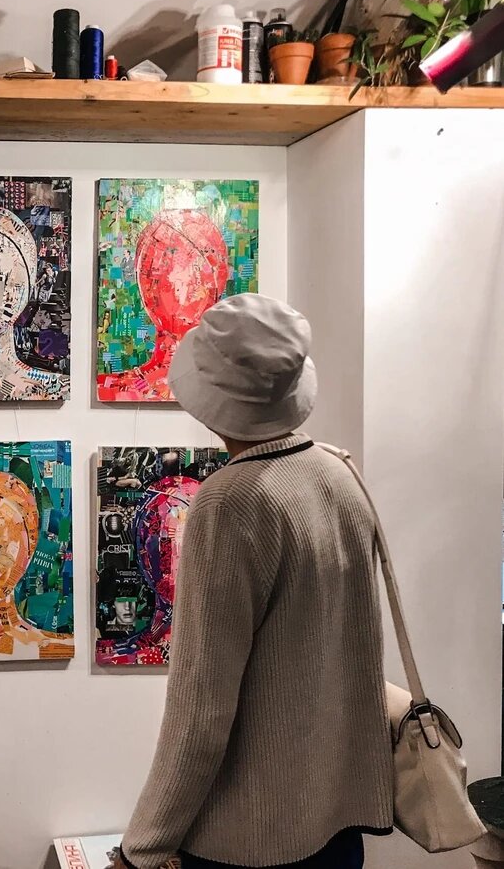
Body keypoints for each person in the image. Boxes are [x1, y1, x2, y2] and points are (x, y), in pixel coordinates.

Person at [114, 293, 392, 869]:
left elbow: (201, 709)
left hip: (249, 840)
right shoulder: (340, 473)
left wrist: (144, 846)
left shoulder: (230, 502)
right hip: (337, 827)